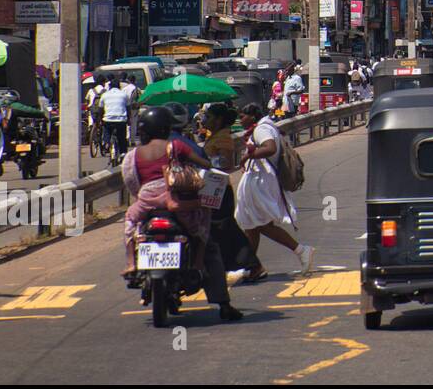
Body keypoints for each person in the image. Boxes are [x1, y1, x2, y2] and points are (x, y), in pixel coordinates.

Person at [122, 106, 241, 321]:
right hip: (177, 203)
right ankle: (220, 299)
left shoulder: (133, 155)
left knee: (131, 226)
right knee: (207, 240)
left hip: (147, 203)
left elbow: (131, 181)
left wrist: (142, 197)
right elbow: (203, 166)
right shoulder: (176, 146)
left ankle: (131, 263)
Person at [234, 104, 314, 278]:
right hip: (258, 181)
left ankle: (301, 250)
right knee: (252, 225)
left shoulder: (261, 129)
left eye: (243, 116)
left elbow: (270, 148)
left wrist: (250, 154)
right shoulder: (262, 127)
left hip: (262, 181)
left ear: (252, 116)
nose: (241, 120)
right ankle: (252, 266)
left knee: (261, 223)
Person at [202, 103, 262, 277]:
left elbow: (226, 163)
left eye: (209, 116)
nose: (205, 120)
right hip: (210, 187)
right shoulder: (214, 136)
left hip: (218, 188)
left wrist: (204, 161)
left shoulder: (223, 137)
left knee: (226, 228)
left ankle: (252, 264)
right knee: (219, 229)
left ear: (219, 120)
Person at [99, 78, 131, 161]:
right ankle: (123, 152)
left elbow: (100, 109)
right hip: (121, 120)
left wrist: (100, 120)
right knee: (122, 137)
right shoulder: (124, 95)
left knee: (107, 132)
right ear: (119, 86)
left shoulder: (104, 95)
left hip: (108, 120)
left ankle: (106, 143)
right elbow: (128, 108)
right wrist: (129, 120)